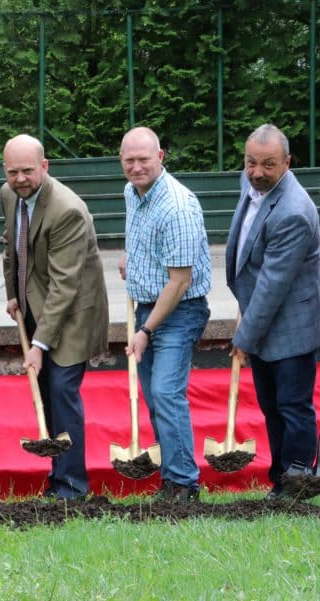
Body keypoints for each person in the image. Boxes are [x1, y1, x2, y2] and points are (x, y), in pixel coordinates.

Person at [0, 134, 109, 500]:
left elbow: (65, 286)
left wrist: (39, 344)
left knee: (62, 391)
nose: (20, 179)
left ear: (44, 167)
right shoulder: (8, 195)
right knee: (46, 393)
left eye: (28, 170)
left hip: (73, 312)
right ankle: (57, 477)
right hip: (34, 304)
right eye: (13, 171)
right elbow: (9, 246)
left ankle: (72, 486)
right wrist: (12, 293)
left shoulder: (67, 210)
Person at [225, 124, 320, 500]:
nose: (256, 172)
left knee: (292, 407)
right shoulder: (250, 182)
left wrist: (243, 339)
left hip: (290, 326)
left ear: (286, 162)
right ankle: (281, 479)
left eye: (268, 165)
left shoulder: (294, 212)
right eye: (251, 162)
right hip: (261, 318)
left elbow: (272, 285)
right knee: (271, 407)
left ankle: (298, 483)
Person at [118, 127, 211, 502]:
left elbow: (181, 281)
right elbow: (144, 239)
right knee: (157, 398)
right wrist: (133, 259)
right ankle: (172, 479)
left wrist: (146, 330)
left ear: (161, 156)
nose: (137, 167)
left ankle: (184, 485)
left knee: (165, 393)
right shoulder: (132, 192)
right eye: (129, 160)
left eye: (144, 159)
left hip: (179, 311)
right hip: (147, 307)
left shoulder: (177, 205)